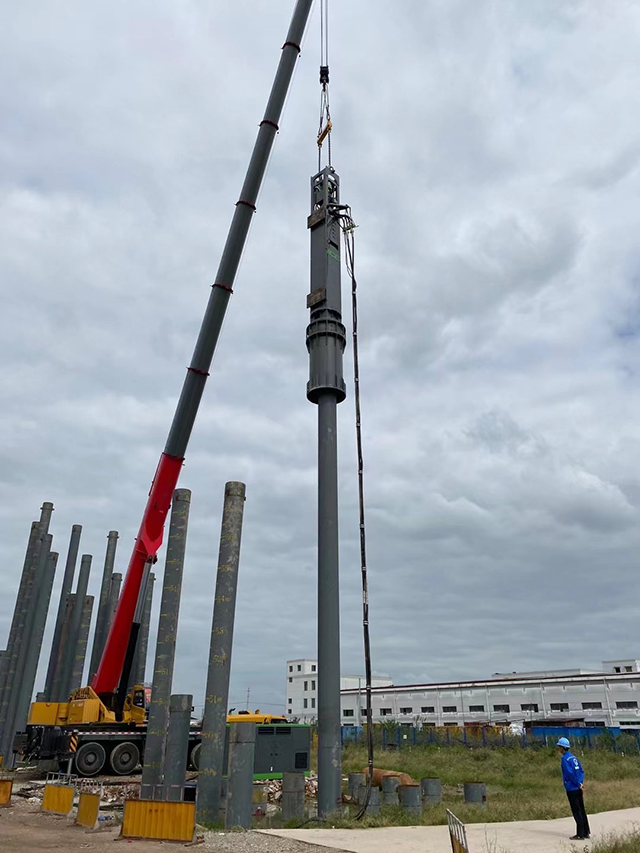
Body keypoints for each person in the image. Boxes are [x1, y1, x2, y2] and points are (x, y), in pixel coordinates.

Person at [557, 737, 590, 840]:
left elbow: (569, 773)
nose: (559, 749)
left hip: (572, 788)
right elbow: (581, 771)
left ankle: (580, 834)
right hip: (578, 787)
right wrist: (580, 783)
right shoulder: (574, 758)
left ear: (562, 748)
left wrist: (576, 783)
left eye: (559, 747)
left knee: (576, 810)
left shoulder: (565, 759)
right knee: (581, 809)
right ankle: (585, 832)